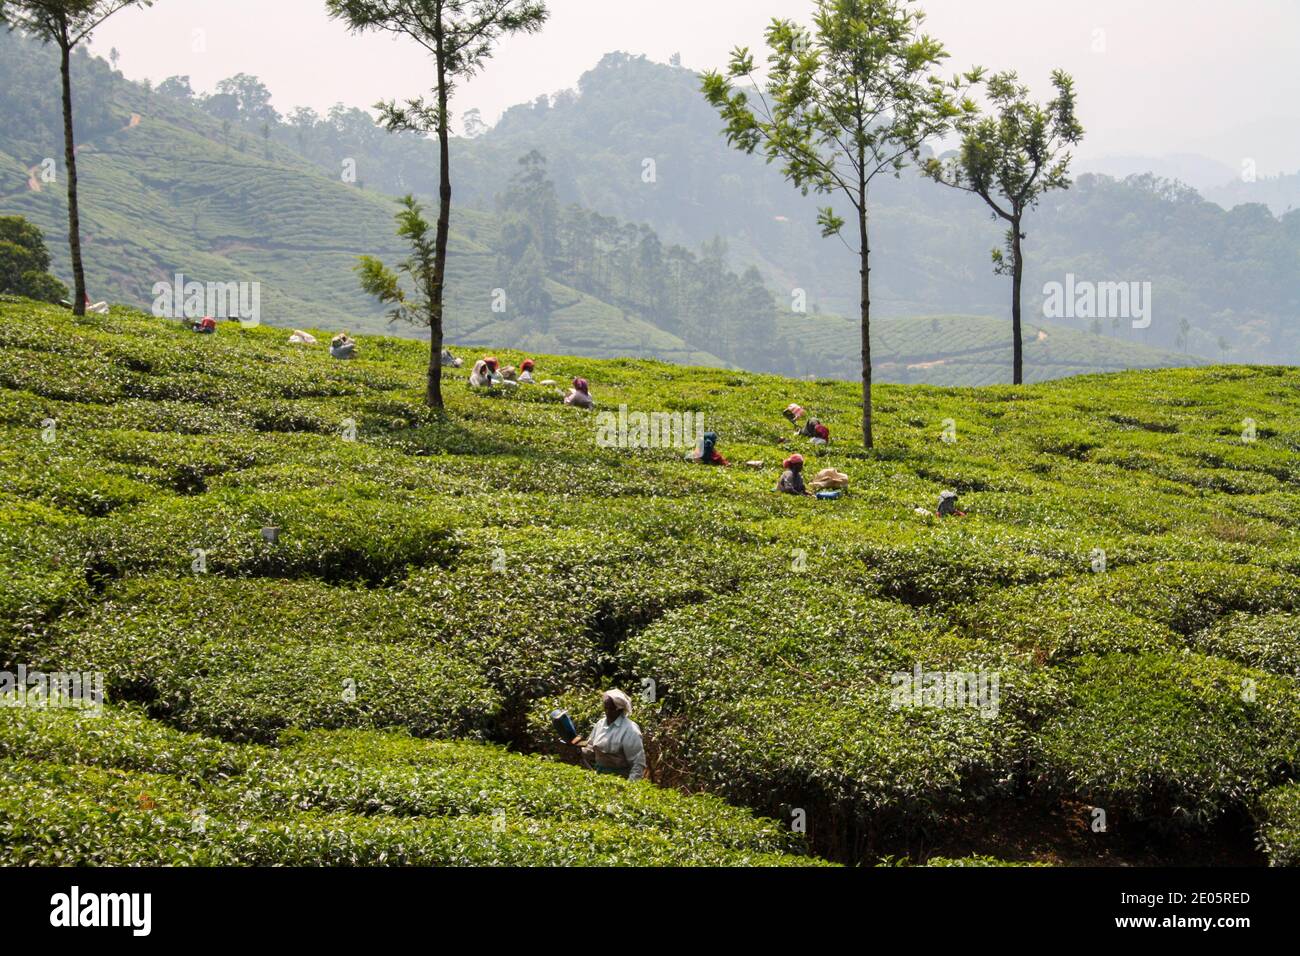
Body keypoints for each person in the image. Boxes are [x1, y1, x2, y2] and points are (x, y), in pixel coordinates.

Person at [568, 689, 646, 782]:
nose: (608, 712)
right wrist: (580, 750)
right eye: (606, 708)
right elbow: (591, 748)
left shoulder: (630, 730)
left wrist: (630, 787)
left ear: (620, 709)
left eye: (612, 709)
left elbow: (638, 764)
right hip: (600, 776)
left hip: (621, 779)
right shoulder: (600, 724)